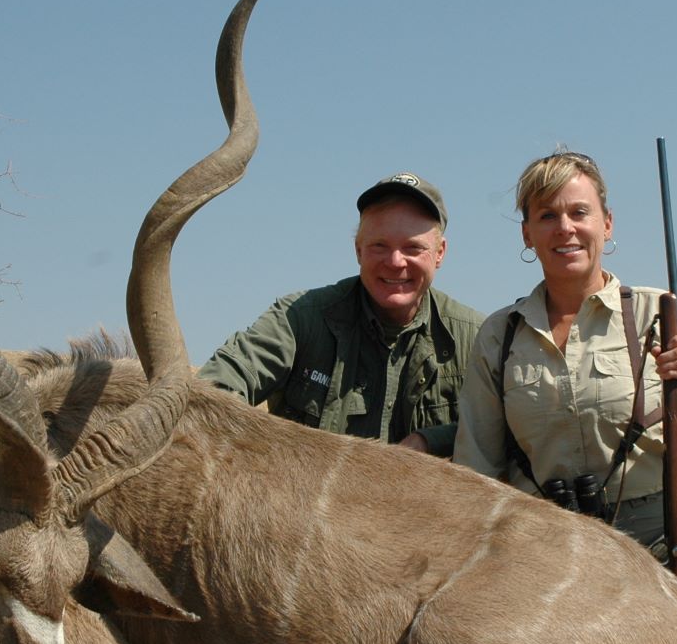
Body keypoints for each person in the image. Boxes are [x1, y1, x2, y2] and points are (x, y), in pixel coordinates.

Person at [452, 149, 677, 644]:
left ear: (606, 224)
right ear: (527, 234)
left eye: (579, 212)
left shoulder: (661, 312)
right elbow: (476, 467)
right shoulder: (500, 335)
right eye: (547, 216)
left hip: (655, 530)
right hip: (545, 542)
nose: (565, 228)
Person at [197, 173, 484, 457]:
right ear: (358, 250)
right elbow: (211, 391)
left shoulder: (479, 337)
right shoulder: (299, 317)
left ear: (439, 253)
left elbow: (508, 430)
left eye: (413, 248)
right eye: (379, 246)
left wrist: (429, 441)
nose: (396, 262)